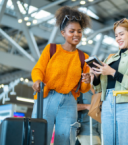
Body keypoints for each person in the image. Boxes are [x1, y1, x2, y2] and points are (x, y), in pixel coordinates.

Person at [31, 6, 91, 145]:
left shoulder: (84, 57)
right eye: (72, 31)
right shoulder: (52, 49)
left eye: (79, 31)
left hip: (69, 102)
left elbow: (83, 88)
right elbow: (38, 68)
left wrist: (87, 80)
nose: (76, 34)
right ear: (63, 32)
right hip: (46, 97)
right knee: (40, 138)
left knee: (65, 140)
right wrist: (38, 80)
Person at [91, 18, 128, 145]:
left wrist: (113, 72)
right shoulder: (110, 58)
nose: (118, 38)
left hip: (126, 103)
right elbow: (99, 88)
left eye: (121, 34)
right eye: (116, 35)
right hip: (107, 104)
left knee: (126, 142)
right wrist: (95, 77)